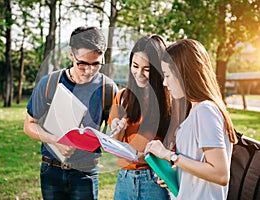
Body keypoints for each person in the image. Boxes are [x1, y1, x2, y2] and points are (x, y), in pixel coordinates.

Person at [24, 26, 118, 200]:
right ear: (71, 55)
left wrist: (118, 126)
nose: (89, 70)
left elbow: (114, 127)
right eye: (82, 63)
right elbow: (29, 125)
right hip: (51, 170)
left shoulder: (108, 88)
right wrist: (56, 140)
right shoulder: (50, 83)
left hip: (86, 172)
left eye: (96, 64)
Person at [144, 39, 238, 199]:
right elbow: (200, 166)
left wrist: (169, 155)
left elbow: (221, 174)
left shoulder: (205, 110)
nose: (165, 83)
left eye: (167, 75)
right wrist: (174, 174)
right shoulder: (194, 111)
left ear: (183, 74)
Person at [108, 35, 171, 200]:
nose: (139, 73)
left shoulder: (170, 102)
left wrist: (143, 155)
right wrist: (117, 131)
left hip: (155, 180)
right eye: (135, 66)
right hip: (124, 179)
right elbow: (115, 145)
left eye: (147, 69)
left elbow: (174, 149)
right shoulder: (122, 97)